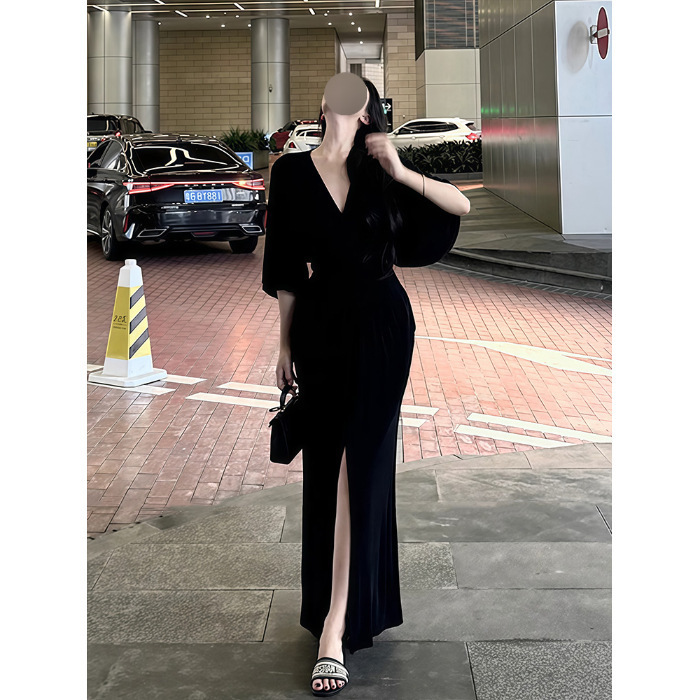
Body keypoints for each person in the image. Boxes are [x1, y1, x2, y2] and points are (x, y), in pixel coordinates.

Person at [261, 76, 470, 696]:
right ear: (325, 104)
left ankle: (335, 625)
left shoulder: (380, 167)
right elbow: (284, 267)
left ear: (368, 113)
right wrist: (283, 345)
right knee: (328, 464)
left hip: (382, 328)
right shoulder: (290, 173)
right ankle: (341, 608)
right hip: (320, 332)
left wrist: (401, 169)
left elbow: (459, 206)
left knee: (362, 465)